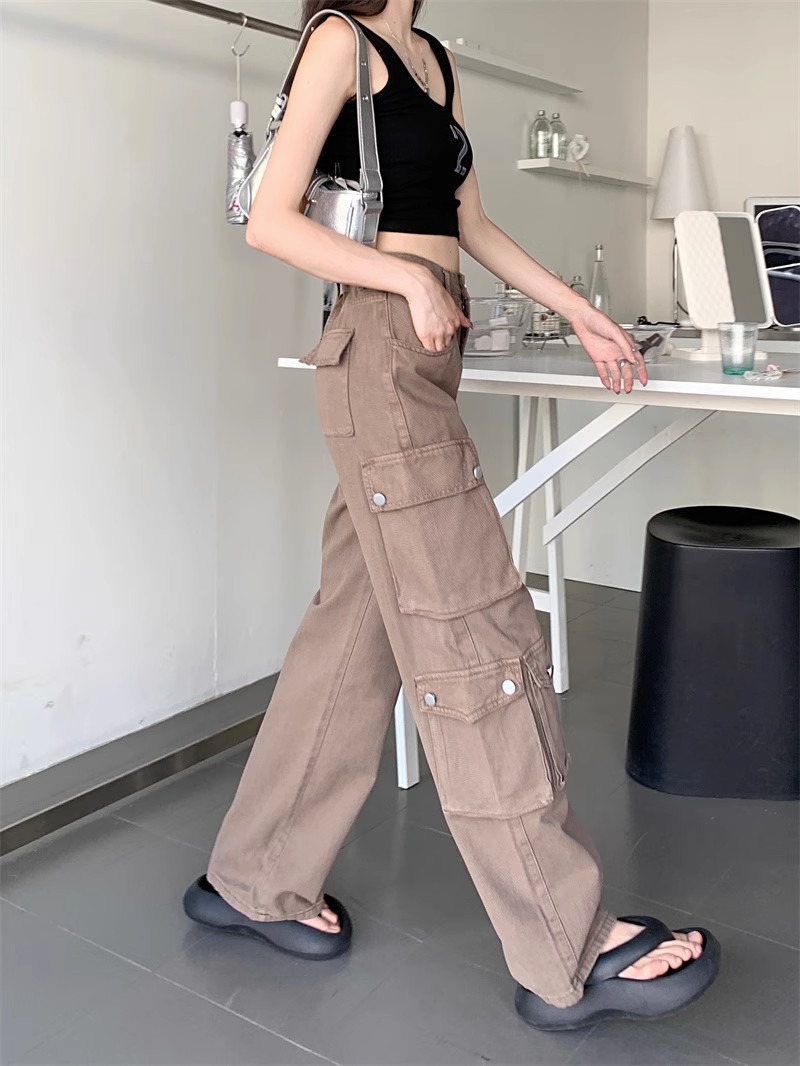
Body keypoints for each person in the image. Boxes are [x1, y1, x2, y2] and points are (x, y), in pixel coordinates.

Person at [183, 0, 720, 1031]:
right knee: (473, 632)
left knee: (356, 631)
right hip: (383, 346)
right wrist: (400, 276)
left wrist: (579, 309)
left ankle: (253, 876)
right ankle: (564, 945)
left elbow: (469, 225)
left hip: (427, 348)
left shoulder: (429, 58)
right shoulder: (338, 40)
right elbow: (271, 218)